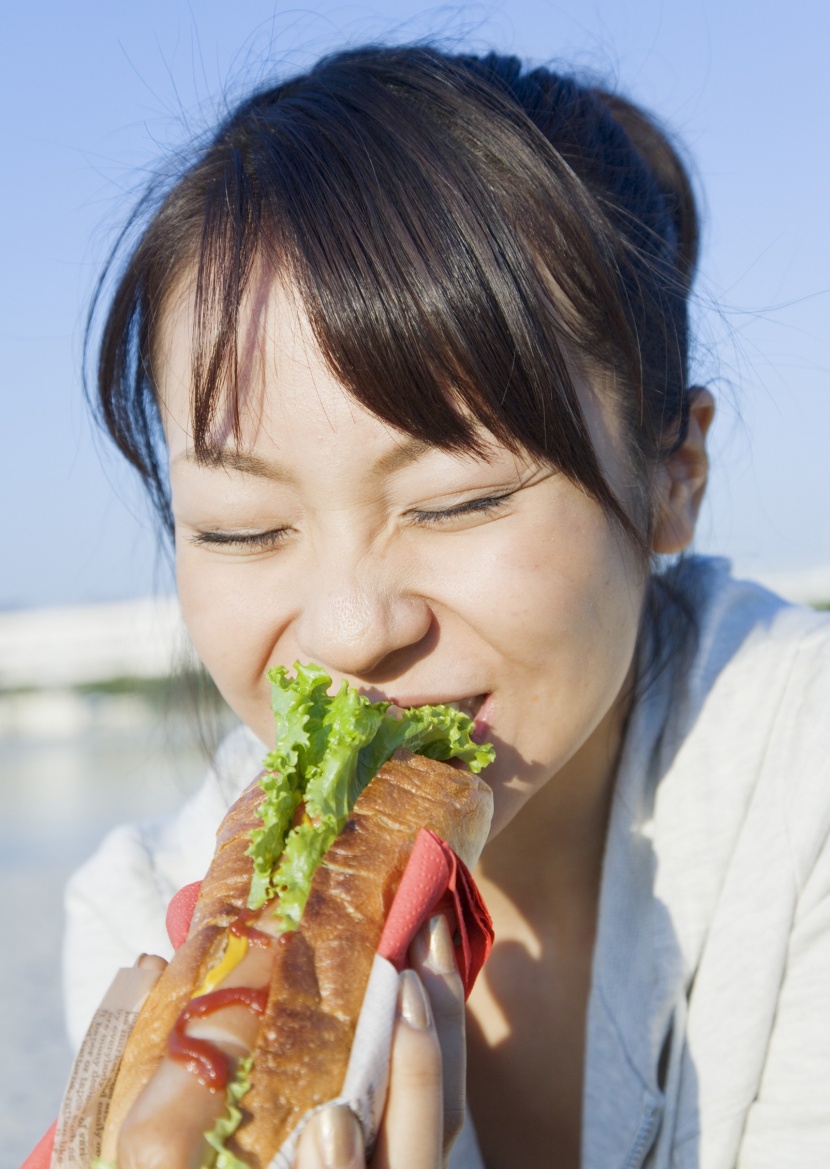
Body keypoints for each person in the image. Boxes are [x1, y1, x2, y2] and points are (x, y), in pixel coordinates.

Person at [62, 45, 830, 1169]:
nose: (349, 626)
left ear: (673, 474)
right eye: (243, 528)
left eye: (456, 501)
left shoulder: (802, 786)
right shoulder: (139, 913)